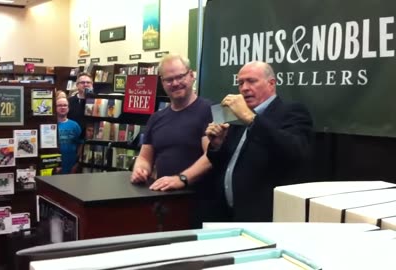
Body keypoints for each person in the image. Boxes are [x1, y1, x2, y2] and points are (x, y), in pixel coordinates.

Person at [205, 61, 313, 222]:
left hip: (264, 217)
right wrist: (217, 145)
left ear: (271, 84)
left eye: (251, 81)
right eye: (240, 83)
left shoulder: (291, 111)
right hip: (228, 213)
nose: (244, 88)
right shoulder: (238, 116)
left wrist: (251, 119)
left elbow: (294, 151)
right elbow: (226, 165)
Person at [130, 54, 214, 227]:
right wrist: (140, 169)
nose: (175, 83)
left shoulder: (210, 110)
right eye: (169, 79)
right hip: (163, 204)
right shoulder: (156, 118)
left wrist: (181, 179)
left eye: (180, 76)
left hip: (198, 205)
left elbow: (211, 155)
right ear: (162, 82)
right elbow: (145, 157)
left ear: (191, 76)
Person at [57, 96, 83, 174]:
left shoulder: (75, 125)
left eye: (65, 105)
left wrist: (77, 164)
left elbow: (81, 145)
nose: (63, 107)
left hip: (71, 166)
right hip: (55, 166)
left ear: (68, 108)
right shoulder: (50, 125)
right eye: (59, 105)